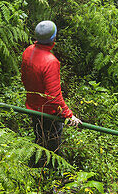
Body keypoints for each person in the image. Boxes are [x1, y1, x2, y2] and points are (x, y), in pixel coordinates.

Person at [21, 20, 80, 168]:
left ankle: (36, 171)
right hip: (48, 114)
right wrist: (68, 114)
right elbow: (53, 96)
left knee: (40, 139)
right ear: (53, 38)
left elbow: (24, 78)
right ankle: (49, 178)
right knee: (52, 148)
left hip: (32, 107)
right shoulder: (50, 62)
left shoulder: (28, 51)